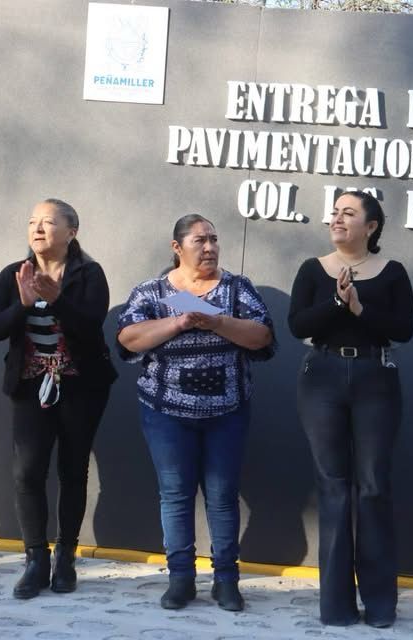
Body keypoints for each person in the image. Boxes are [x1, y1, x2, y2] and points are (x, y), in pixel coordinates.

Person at [117, 214, 274, 612]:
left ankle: (226, 580)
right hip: (165, 413)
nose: (210, 247)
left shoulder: (237, 289)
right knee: (175, 495)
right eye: (200, 240)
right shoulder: (152, 292)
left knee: (222, 496)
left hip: (227, 412)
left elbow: (262, 336)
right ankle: (181, 579)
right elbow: (129, 338)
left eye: (214, 240)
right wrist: (179, 322)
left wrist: (218, 322)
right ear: (177, 248)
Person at [288, 191, 413, 628]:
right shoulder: (312, 269)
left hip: (375, 378)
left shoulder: (392, 271)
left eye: (349, 213)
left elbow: (405, 328)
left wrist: (360, 308)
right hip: (321, 378)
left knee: (374, 486)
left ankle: (380, 604)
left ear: (371, 226)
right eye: (335, 213)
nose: (337, 219)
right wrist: (337, 303)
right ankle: (336, 606)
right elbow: (297, 324)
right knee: (333, 487)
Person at [0, 199, 117, 599]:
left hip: (80, 387)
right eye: (32, 222)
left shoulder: (89, 274)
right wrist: (23, 304)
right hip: (30, 385)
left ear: (71, 232)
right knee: (27, 472)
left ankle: (65, 558)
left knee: (73, 470)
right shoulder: (13, 274)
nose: (37, 229)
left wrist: (57, 298)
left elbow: (91, 328)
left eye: (48, 222)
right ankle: (35, 560)